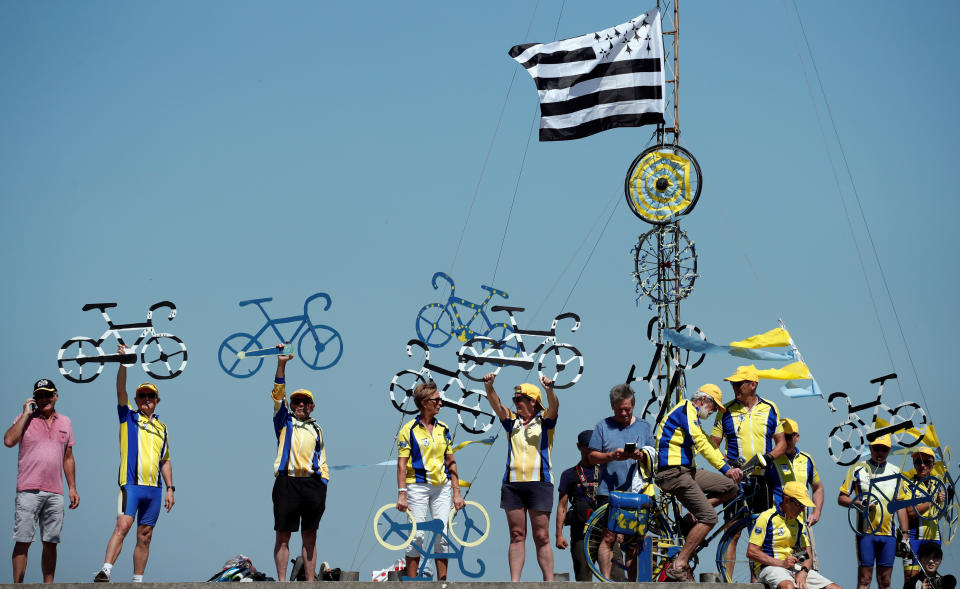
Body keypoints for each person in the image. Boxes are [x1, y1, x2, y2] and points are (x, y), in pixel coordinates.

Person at [94, 347, 174, 582]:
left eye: (150, 397)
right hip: (131, 485)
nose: (146, 400)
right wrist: (124, 363)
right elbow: (120, 389)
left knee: (145, 535)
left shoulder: (163, 428)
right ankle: (105, 570)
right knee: (124, 525)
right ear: (137, 400)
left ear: (157, 401)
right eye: (142, 396)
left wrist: (170, 488)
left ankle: (137, 580)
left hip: (154, 490)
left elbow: (165, 460)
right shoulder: (128, 416)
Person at [654, 384, 742, 581]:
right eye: (713, 407)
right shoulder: (685, 410)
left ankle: (693, 516)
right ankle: (679, 564)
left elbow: (707, 441)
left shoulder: (692, 415)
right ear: (704, 400)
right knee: (710, 518)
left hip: (687, 470)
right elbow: (701, 444)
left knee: (731, 488)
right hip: (673, 473)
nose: (712, 412)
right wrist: (726, 469)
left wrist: (728, 465)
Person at [711, 364, 788, 579]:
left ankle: (757, 580)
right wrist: (726, 466)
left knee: (760, 532)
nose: (735, 387)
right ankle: (728, 581)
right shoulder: (725, 411)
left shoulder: (770, 408)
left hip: (763, 480)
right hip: (736, 480)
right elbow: (712, 444)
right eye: (733, 383)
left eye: (739, 383)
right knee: (732, 531)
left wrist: (769, 458)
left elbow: (781, 443)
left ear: (753, 384)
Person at [483, 373, 558, 582]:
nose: (515, 403)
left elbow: (554, 407)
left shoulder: (545, 422)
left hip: (540, 483)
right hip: (512, 483)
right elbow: (495, 404)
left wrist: (549, 389)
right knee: (517, 534)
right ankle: (515, 583)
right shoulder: (511, 422)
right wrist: (489, 386)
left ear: (532, 402)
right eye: (514, 399)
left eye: (519, 399)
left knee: (541, 536)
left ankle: (549, 582)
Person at [4, 379, 79, 583]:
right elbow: (9, 441)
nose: (44, 399)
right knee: (23, 540)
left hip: (55, 491)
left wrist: (72, 487)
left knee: (51, 542)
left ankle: (49, 585)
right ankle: (17, 585)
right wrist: (26, 414)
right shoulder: (24, 418)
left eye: (47, 394)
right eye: (39, 395)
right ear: (34, 399)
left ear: (55, 396)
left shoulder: (66, 422)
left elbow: (68, 457)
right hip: (28, 489)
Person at [270, 346, 329, 582]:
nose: (301, 405)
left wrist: (323, 480)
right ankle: (283, 583)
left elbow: (322, 456)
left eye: (306, 402)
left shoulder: (317, 428)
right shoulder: (284, 421)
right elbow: (277, 394)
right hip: (287, 481)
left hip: (312, 484)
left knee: (310, 535)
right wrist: (282, 365)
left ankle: (310, 582)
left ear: (312, 406)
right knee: (283, 535)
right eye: (296, 401)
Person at [395, 381, 465, 580]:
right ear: (424, 402)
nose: (440, 403)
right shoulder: (409, 429)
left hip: (442, 487)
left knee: (442, 535)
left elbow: (451, 461)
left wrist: (457, 492)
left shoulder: (444, 428)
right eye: (437, 400)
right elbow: (401, 464)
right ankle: (413, 582)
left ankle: (442, 582)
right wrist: (402, 494)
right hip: (416, 486)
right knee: (416, 535)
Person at [586, 383, 655, 582]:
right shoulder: (602, 426)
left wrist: (640, 455)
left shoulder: (644, 426)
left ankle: (631, 584)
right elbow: (591, 457)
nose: (623, 413)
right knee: (607, 538)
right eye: (619, 410)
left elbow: (652, 456)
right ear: (612, 408)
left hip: (636, 493)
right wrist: (610, 456)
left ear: (633, 406)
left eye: (627, 409)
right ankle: (606, 581)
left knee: (633, 543)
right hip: (608, 492)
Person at [837, 434, 910, 589]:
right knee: (865, 580)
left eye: (884, 449)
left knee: (885, 581)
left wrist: (905, 535)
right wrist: (859, 503)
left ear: (889, 451)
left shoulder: (896, 472)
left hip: (888, 535)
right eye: (876, 448)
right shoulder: (857, 469)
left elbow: (901, 506)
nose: (879, 452)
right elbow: (842, 498)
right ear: (870, 448)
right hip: (866, 533)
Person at [747, 481, 842, 589]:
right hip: (769, 567)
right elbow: (751, 552)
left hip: (793, 568)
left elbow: (807, 554)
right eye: (800, 505)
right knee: (788, 587)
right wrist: (781, 563)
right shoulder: (766, 517)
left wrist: (804, 572)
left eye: (804, 506)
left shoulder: (798, 523)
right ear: (787, 500)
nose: (802, 510)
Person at [555, 430, 600, 582]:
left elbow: (616, 503)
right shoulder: (569, 474)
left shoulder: (606, 472)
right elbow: (562, 505)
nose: (591, 450)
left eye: (595, 446)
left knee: (616, 576)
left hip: (606, 532)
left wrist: (619, 532)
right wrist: (559, 534)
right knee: (583, 577)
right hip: (580, 531)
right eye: (588, 446)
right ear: (579, 446)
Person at [767, 418, 824, 525]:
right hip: (777, 522)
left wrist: (816, 512)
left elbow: (818, 488)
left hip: (802, 522)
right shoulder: (771, 459)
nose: (785, 442)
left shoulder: (807, 459)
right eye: (782, 437)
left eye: (788, 437)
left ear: (797, 437)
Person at [900, 447, 945, 578]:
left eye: (927, 462)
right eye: (918, 462)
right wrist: (932, 501)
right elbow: (910, 512)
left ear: (933, 465)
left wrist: (944, 502)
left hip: (933, 535)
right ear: (914, 464)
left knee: (930, 578)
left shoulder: (938, 484)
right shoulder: (907, 483)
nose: (922, 465)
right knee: (911, 577)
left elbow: (939, 515)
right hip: (914, 536)